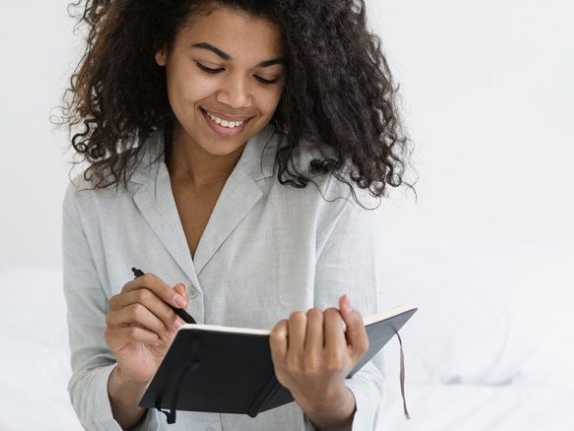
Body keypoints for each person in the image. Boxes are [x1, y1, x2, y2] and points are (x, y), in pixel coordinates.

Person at [59, 0, 412, 430]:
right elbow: (89, 385)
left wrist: (326, 398)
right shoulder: (94, 200)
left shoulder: (329, 192)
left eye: (266, 76)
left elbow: (365, 386)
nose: (236, 99)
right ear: (160, 45)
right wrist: (133, 378)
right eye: (210, 66)